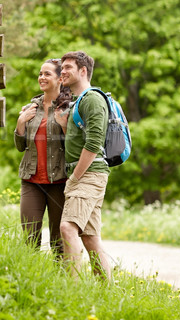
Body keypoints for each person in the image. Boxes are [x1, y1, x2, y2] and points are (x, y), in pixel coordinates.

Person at [58, 51, 111, 279]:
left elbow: (94, 142)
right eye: (62, 68)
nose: (63, 71)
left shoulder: (92, 98)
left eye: (68, 67)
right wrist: (64, 125)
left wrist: (75, 178)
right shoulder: (79, 101)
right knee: (90, 237)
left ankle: (74, 290)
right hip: (88, 174)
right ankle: (108, 290)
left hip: (88, 175)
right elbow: (79, 140)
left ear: (83, 71)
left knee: (67, 228)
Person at [14, 59, 71, 255]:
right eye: (40, 73)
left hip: (59, 181)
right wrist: (20, 124)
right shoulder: (31, 108)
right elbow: (21, 147)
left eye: (47, 74)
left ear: (60, 79)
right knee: (30, 237)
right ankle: (31, 279)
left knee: (59, 240)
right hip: (31, 180)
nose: (41, 77)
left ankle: (61, 280)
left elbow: (74, 147)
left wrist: (64, 125)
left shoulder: (68, 107)